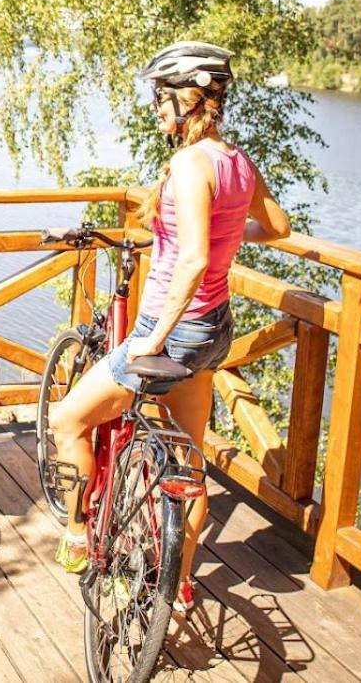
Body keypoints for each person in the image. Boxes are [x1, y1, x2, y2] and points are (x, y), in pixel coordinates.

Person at [47, 41, 291, 613]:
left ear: (187, 99)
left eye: (161, 99)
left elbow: (193, 260)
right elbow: (277, 226)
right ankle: (180, 584)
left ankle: (79, 532)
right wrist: (229, 239)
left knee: (67, 421)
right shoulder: (237, 161)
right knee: (188, 460)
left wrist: (150, 342)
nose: (157, 109)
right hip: (213, 329)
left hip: (170, 329)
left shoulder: (188, 164)